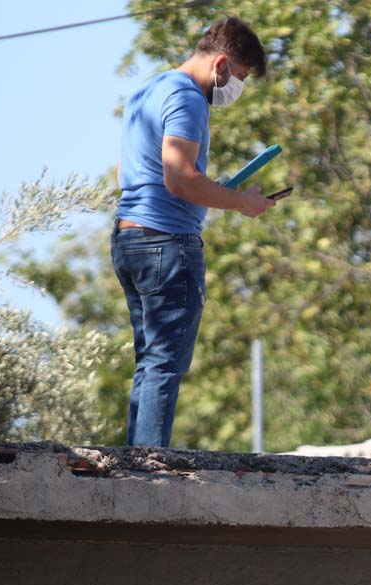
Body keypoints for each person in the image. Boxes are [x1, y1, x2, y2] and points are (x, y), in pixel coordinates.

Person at [112, 16, 273, 447]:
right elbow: (179, 179)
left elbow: (155, 175)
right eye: (238, 77)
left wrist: (219, 191)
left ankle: (134, 460)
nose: (235, 88)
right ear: (221, 64)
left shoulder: (149, 89)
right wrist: (241, 203)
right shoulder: (187, 98)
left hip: (130, 238)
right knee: (164, 363)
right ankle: (147, 466)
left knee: (149, 361)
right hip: (166, 245)